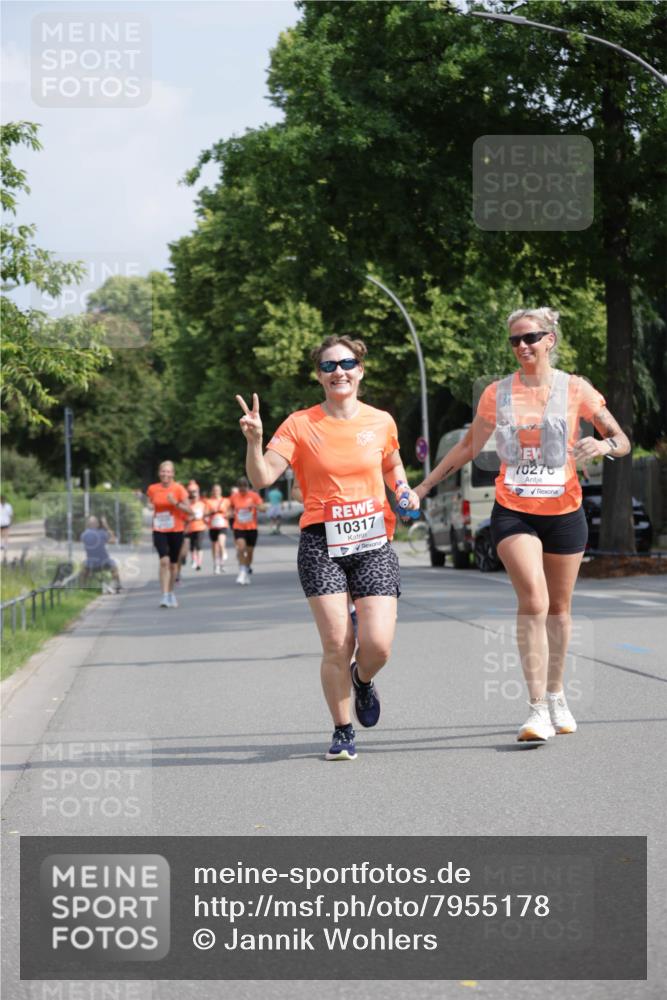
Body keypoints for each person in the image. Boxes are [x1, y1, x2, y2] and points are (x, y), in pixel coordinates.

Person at [415, 308, 630, 742]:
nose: (522, 346)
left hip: (564, 511)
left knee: (560, 610)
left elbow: (623, 441)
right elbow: (469, 446)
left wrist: (603, 445)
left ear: (550, 339)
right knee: (533, 598)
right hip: (513, 509)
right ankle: (535, 711)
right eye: (515, 340)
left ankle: (556, 694)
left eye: (530, 337)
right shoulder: (497, 393)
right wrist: (423, 487)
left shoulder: (576, 389)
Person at [236, 334, 419, 760]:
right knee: (338, 642)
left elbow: (392, 463)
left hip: (373, 541)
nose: (339, 372)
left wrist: (403, 488)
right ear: (318, 376)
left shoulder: (381, 421)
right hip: (321, 542)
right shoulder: (300, 424)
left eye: (347, 364)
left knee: (378, 645)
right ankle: (342, 730)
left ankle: (362, 679)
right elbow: (262, 478)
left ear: (361, 370)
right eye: (329, 366)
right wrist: (254, 441)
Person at [146, 461, 192, 608]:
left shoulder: (179, 489)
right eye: (163, 471)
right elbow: (150, 502)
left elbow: (190, 511)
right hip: (159, 530)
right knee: (164, 561)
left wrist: (175, 503)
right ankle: (164, 596)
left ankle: (171, 593)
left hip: (176, 530)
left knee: (173, 565)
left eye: (168, 471)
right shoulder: (152, 489)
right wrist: (149, 506)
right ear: (159, 473)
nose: (165, 474)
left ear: (173, 474)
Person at [228, 477, 264, 585]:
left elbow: (263, 508)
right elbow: (229, 508)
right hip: (238, 527)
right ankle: (242, 571)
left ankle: (246, 569)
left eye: (244, 487)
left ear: (247, 487)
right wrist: (230, 513)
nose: (242, 489)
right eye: (240, 487)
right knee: (241, 548)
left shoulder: (254, 496)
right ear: (238, 487)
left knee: (249, 552)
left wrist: (255, 506)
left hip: (252, 528)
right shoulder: (234, 496)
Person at [79, 516, 121, 592]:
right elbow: (113, 540)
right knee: (114, 568)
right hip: (104, 562)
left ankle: (82, 587)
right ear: (97, 524)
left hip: (91, 564)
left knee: (83, 569)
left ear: (88, 524)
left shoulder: (83, 535)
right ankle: (117, 586)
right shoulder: (102, 533)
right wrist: (106, 526)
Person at [206, 483, 230, 573]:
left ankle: (222, 563)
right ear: (212, 491)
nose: (216, 492)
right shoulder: (208, 501)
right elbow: (205, 513)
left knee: (221, 543)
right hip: (213, 525)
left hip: (223, 525)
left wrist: (226, 514)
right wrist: (211, 512)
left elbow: (230, 512)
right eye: (214, 490)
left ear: (221, 491)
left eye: (218, 490)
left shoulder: (226, 501)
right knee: (214, 546)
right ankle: (216, 564)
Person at [184, 481, 207, 571]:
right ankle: (194, 560)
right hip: (190, 528)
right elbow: (184, 517)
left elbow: (206, 515)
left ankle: (199, 563)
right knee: (192, 546)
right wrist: (191, 518)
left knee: (199, 546)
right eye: (191, 492)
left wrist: (206, 519)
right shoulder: (188, 505)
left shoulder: (202, 504)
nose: (193, 495)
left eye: (195, 492)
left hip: (200, 527)